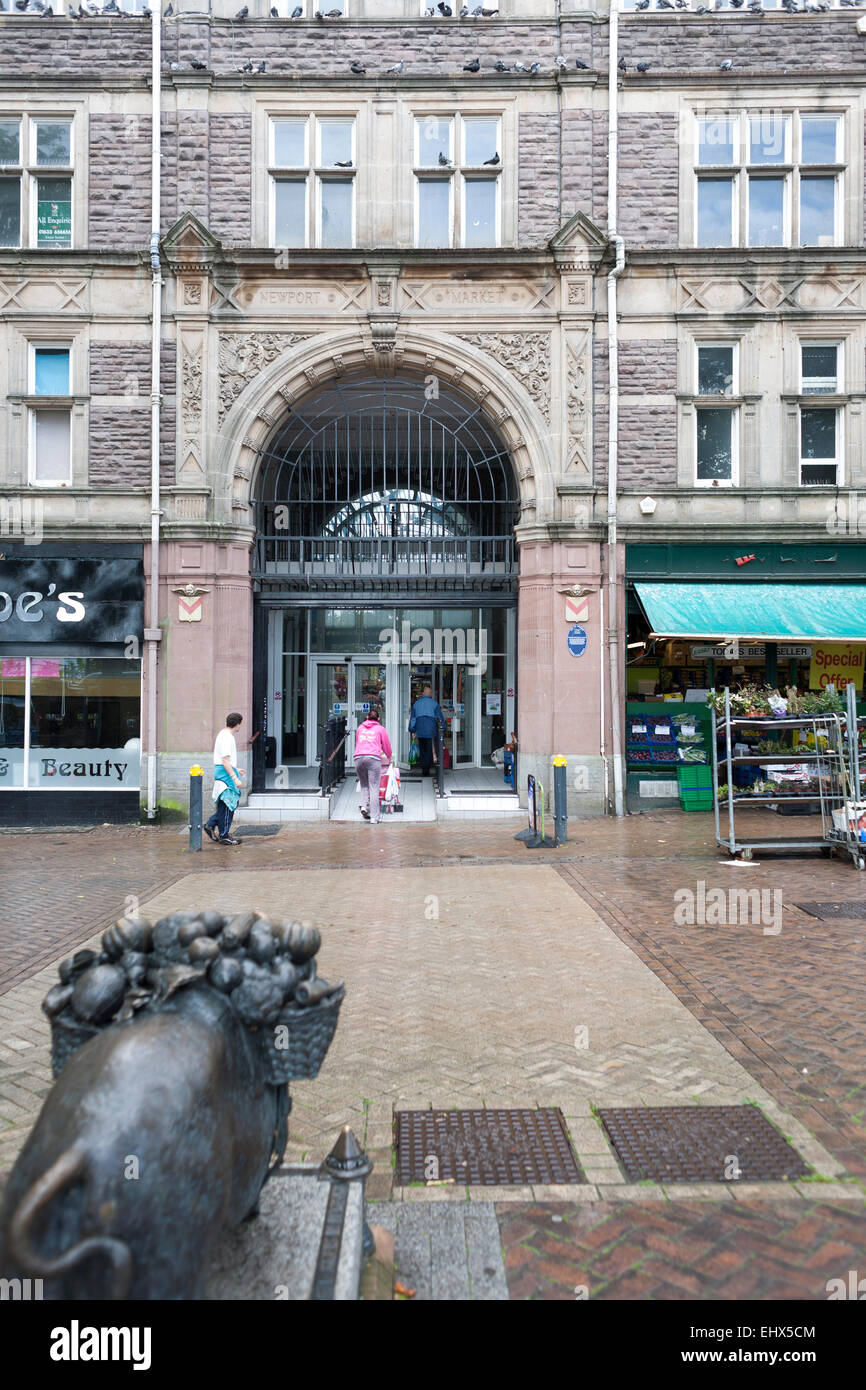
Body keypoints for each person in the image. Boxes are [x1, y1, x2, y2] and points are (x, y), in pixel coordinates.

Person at [204, 712, 244, 846]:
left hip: (222, 772)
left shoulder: (222, 734)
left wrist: (236, 770)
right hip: (225, 775)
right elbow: (225, 760)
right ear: (237, 724)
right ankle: (224, 835)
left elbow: (225, 761)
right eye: (240, 724)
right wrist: (235, 778)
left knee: (224, 804)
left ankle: (211, 825)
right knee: (229, 805)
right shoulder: (228, 737)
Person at [353, 705, 392, 823]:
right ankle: (374, 818)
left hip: (358, 758)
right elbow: (386, 746)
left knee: (364, 784)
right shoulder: (380, 729)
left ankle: (364, 806)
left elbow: (358, 742)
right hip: (373, 758)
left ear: (367, 717)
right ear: (378, 719)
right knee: (374, 787)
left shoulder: (360, 727)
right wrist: (389, 757)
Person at [408, 685, 446, 777]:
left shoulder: (416, 704)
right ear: (430, 694)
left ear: (422, 694)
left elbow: (413, 719)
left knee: (422, 749)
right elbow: (440, 718)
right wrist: (443, 728)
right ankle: (427, 769)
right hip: (431, 731)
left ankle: (424, 768)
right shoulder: (434, 704)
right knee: (430, 750)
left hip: (420, 731)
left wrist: (412, 729)